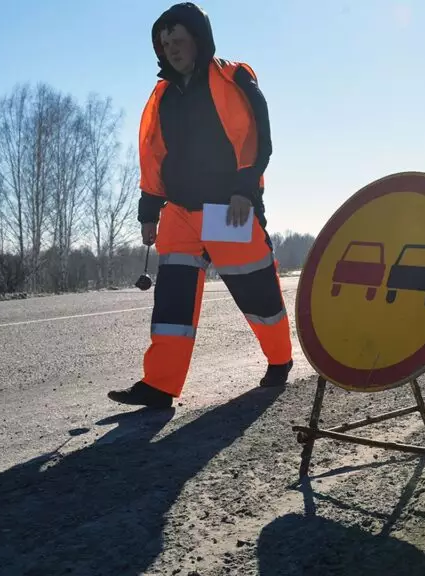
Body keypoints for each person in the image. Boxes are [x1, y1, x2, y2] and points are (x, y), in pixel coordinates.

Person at [108, 2, 293, 408]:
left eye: (178, 40)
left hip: (228, 208)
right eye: (164, 43)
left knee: (254, 286)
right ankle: (160, 385)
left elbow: (257, 136)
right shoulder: (162, 96)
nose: (171, 49)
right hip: (178, 211)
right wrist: (149, 211)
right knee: (172, 301)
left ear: (197, 39)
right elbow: (153, 154)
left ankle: (280, 360)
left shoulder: (233, 76)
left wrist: (246, 190)